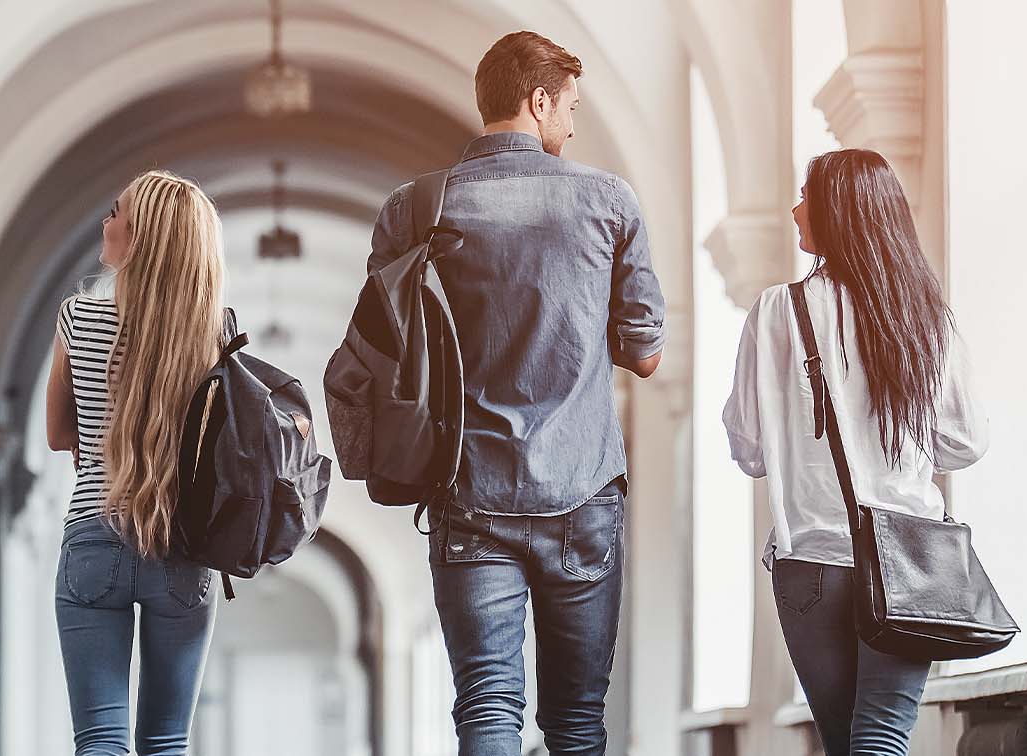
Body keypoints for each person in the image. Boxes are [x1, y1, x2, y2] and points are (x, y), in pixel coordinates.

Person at [366, 31, 665, 755]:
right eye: (568, 108)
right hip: (584, 490)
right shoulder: (608, 201)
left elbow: (389, 348)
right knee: (576, 720)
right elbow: (647, 353)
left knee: (489, 706)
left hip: (467, 494)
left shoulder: (413, 210)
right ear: (537, 101)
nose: (571, 123)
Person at [723, 149, 989, 756]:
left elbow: (750, 450)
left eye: (807, 196)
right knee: (881, 737)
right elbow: (966, 440)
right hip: (907, 556)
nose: (795, 209)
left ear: (839, 212)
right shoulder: (923, 317)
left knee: (844, 743)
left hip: (809, 561)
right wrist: (899, 456)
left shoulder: (775, 311)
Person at [45, 170, 226, 756]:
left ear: (142, 234)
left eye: (116, 211)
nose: (106, 220)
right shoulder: (214, 331)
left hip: (93, 539)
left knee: (99, 741)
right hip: (181, 545)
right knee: (167, 743)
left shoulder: (78, 317)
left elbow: (56, 434)